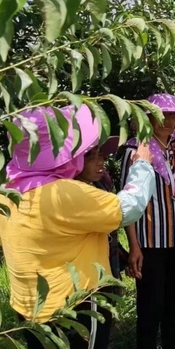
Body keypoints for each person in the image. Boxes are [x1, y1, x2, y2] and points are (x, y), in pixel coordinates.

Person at [0, 104, 156, 349]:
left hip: (28, 308)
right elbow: (130, 206)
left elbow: (1, 237)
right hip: (73, 306)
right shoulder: (63, 193)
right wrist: (142, 165)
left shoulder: (6, 192)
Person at [120, 93, 175, 349]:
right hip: (150, 244)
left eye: (172, 114)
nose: (167, 120)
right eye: (160, 115)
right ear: (148, 118)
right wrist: (134, 246)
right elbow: (125, 203)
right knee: (151, 309)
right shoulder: (135, 150)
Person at [74, 138, 128, 327]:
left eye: (102, 156)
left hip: (107, 266)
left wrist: (125, 256)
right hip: (86, 278)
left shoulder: (102, 183)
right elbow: (123, 212)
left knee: (103, 322)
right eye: (91, 158)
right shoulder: (72, 193)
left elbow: (110, 231)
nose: (100, 163)